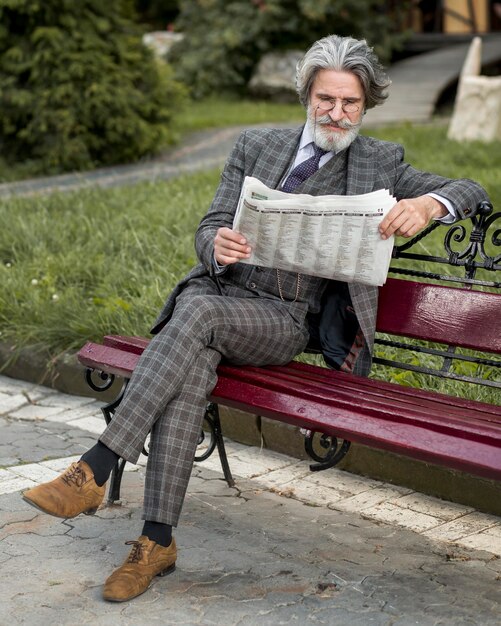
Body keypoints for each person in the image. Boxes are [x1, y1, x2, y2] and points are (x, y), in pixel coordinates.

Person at [22, 34, 489, 602]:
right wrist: (216, 245)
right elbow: (209, 224)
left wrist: (426, 206)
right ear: (306, 96)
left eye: (350, 104)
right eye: (326, 100)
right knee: (191, 364)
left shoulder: (379, 162)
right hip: (224, 301)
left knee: (193, 314)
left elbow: (471, 186)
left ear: (366, 107)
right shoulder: (257, 146)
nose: (336, 115)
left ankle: (98, 463)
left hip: (283, 321)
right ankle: (155, 541)